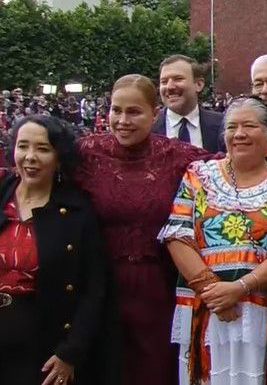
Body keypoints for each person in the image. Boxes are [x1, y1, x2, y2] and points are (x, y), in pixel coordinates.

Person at [73, 74, 215, 385]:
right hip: (98, 287)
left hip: (157, 290)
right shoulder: (85, 153)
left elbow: (231, 170)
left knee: (152, 371)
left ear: (155, 113)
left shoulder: (178, 156)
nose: (122, 121)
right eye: (115, 110)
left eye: (134, 112)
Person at [159, 96, 267, 385]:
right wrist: (214, 292)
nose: (238, 134)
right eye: (231, 127)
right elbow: (177, 235)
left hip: (258, 312)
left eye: (249, 126)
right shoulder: (198, 175)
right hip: (206, 308)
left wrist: (239, 288)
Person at [0, 115, 117, 385]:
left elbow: (94, 287)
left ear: (59, 156)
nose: (30, 157)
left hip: (42, 342)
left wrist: (71, 351)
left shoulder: (77, 211)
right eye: (23, 146)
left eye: (42, 149)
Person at [152, 54, 225, 152]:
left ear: (199, 84)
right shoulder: (148, 127)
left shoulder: (222, 125)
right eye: (164, 82)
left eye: (178, 79)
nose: (169, 87)